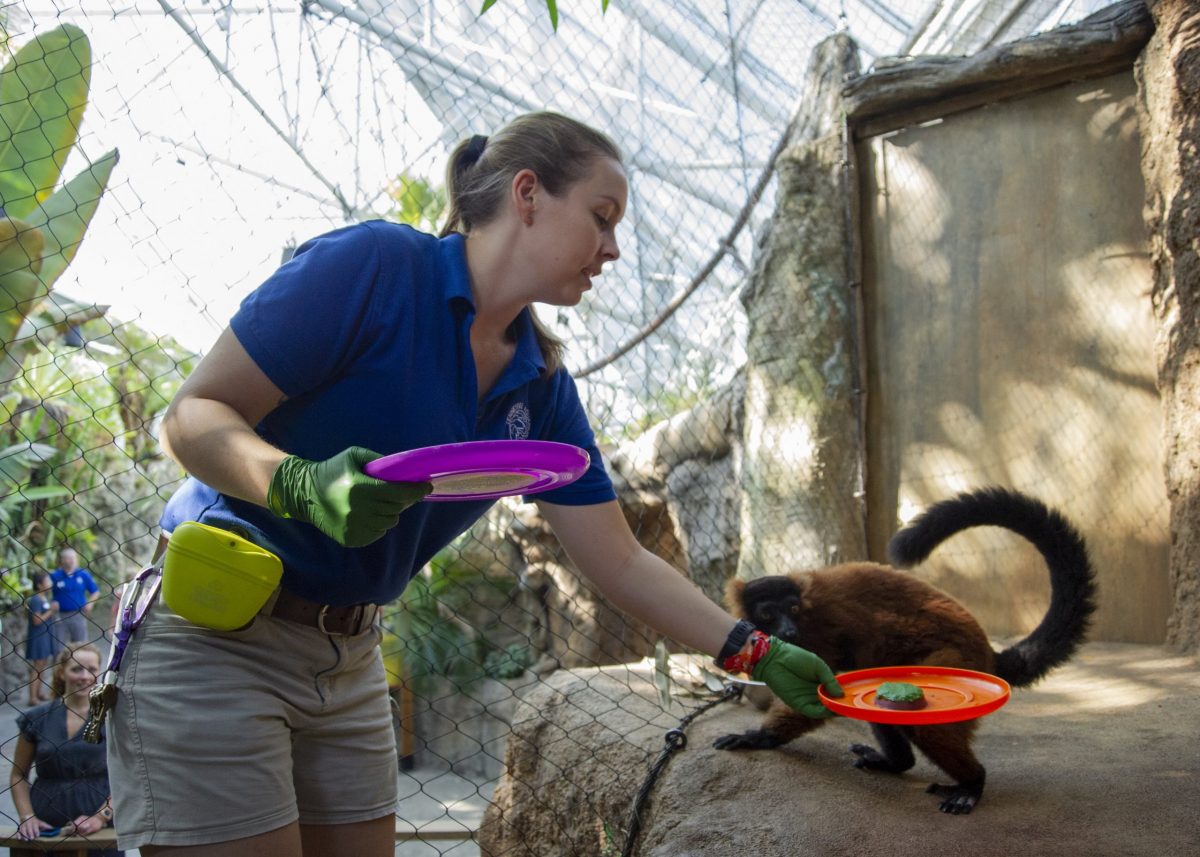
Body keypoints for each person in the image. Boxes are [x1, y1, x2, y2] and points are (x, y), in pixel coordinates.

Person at [107, 111, 844, 856]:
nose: (614, 249)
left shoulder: (541, 382)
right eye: (601, 217)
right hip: (217, 634)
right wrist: (298, 484)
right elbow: (190, 416)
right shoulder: (376, 268)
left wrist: (753, 650)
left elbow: (620, 560)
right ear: (528, 194)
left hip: (350, 655)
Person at [10, 644, 121, 856]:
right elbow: (18, 774)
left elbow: (128, 775)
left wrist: (101, 816)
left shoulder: (112, 718)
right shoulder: (36, 719)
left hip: (100, 828)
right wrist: (27, 817)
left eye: (92, 669)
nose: (85, 676)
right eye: (76, 669)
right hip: (45, 826)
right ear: (61, 672)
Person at [49, 547, 100, 645]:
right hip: (59, 615)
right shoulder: (55, 576)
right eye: (69, 558)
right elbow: (45, 591)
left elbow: (95, 591)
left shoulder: (83, 574)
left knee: (80, 644)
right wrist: (50, 604)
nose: (72, 560)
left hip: (78, 614)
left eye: (74, 558)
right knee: (59, 645)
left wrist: (90, 603)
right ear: (62, 560)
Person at [24, 570, 60, 705]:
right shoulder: (36, 600)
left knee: (43, 665)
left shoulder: (45, 598)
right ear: (39, 585)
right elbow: (36, 621)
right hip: (38, 637)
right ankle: (32, 697)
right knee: (37, 666)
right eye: (47, 581)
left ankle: (39, 693)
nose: (50, 583)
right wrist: (51, 611)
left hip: (46, 636)